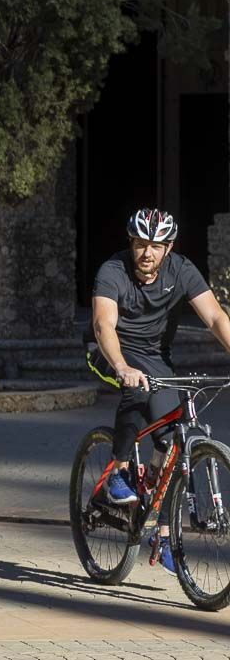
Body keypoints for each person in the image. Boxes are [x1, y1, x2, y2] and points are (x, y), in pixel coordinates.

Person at [88, 207, 230, 573]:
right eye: (140, 244)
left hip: (155, 359)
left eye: (155, 245)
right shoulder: (112, 271)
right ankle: (118, 471)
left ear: (168, 247)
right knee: (136, 391)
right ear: (130, 243)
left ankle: (162, 534)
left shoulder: (181, 270)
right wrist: (121, 366)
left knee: (170, 440)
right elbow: (104, 324)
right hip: (111, 352)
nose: (146, 253)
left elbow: (214, 317)